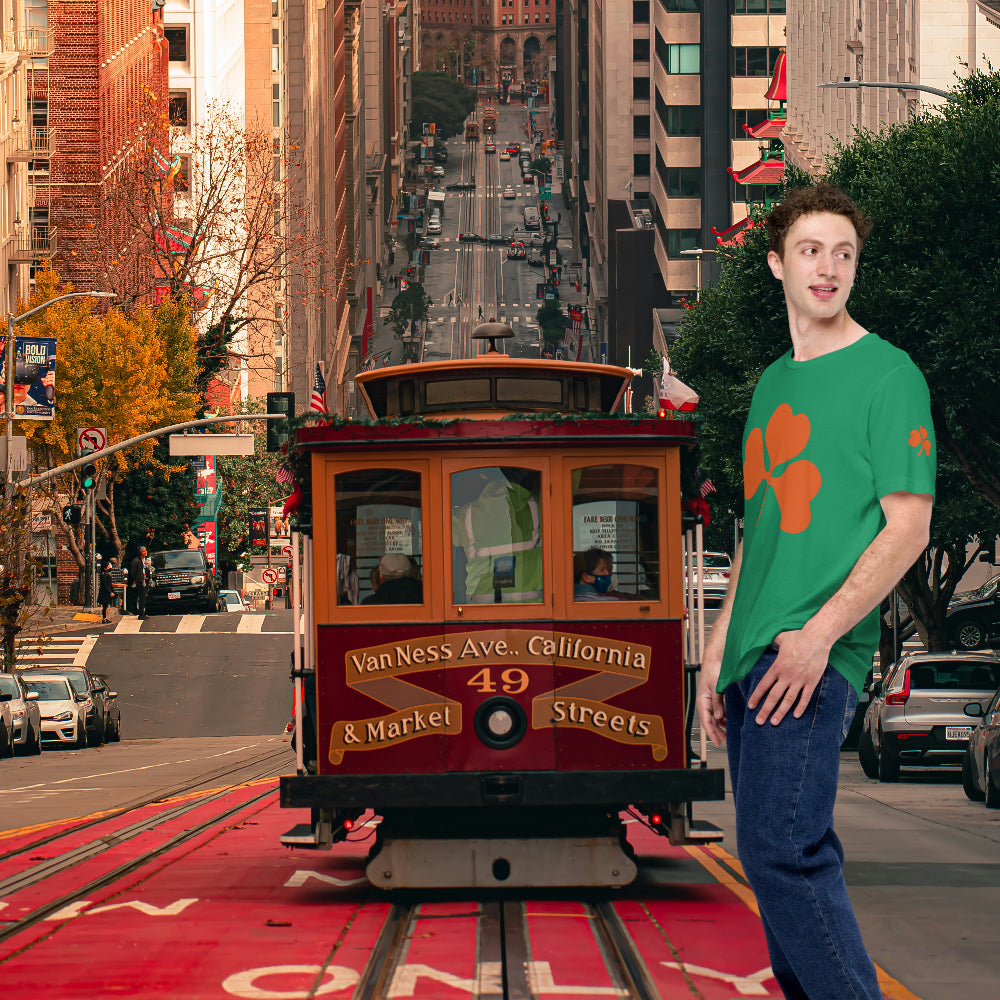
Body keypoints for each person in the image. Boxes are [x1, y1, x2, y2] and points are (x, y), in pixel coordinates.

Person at [697, 184, 935, 1000]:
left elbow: (907, 529)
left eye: (843, 254)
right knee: (768, 865)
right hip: (757, 654)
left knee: (787, 853)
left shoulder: (888, 375)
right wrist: (720, 645)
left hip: (812, 652)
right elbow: (762, 532)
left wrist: (818, 637)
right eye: (811, 251)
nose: (828, 269)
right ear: (777, 264)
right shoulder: (770, 386)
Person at [130, 546, 151, 619]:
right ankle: (141, 614)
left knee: (144, 597)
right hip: (140, 581)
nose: (145, 552)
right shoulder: (136, 561)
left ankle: (143, 613)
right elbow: (133, 572)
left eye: (146, 551)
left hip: (146, 579)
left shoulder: (145, 560)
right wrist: (137, 579)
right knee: (141, 597)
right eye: (143, 551)